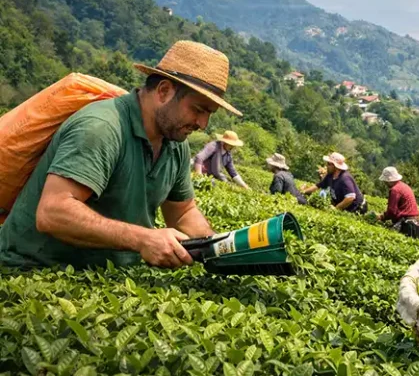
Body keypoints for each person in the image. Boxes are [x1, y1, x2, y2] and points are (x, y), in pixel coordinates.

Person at [0, 40, 242, 270]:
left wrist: (219, 247)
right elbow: (53, 212)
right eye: (198, 109)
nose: (203, 123)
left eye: (209, 113)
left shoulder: (175, 143)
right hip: (34, 269)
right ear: (164, 91)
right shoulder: (101, 128)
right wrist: (143, 239)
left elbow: (182, 212)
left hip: (107, 277)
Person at [302, 152, 367, 214]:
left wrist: (336, 209)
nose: (326, 166)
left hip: (357, 209)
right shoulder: (330, 175)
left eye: (328, 164)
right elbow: (318, 186)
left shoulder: (345, 178)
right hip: (343, 206)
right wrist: (303, 192)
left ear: (335, 166)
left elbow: (350, 197)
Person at [377, 166, 419, 239]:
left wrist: (381, 217)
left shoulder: (395, 190)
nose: (384, 183)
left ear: (389, 180)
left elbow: (392, 211)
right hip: (417, 223)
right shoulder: (404, 186)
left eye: (385, 181)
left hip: (408, 224)